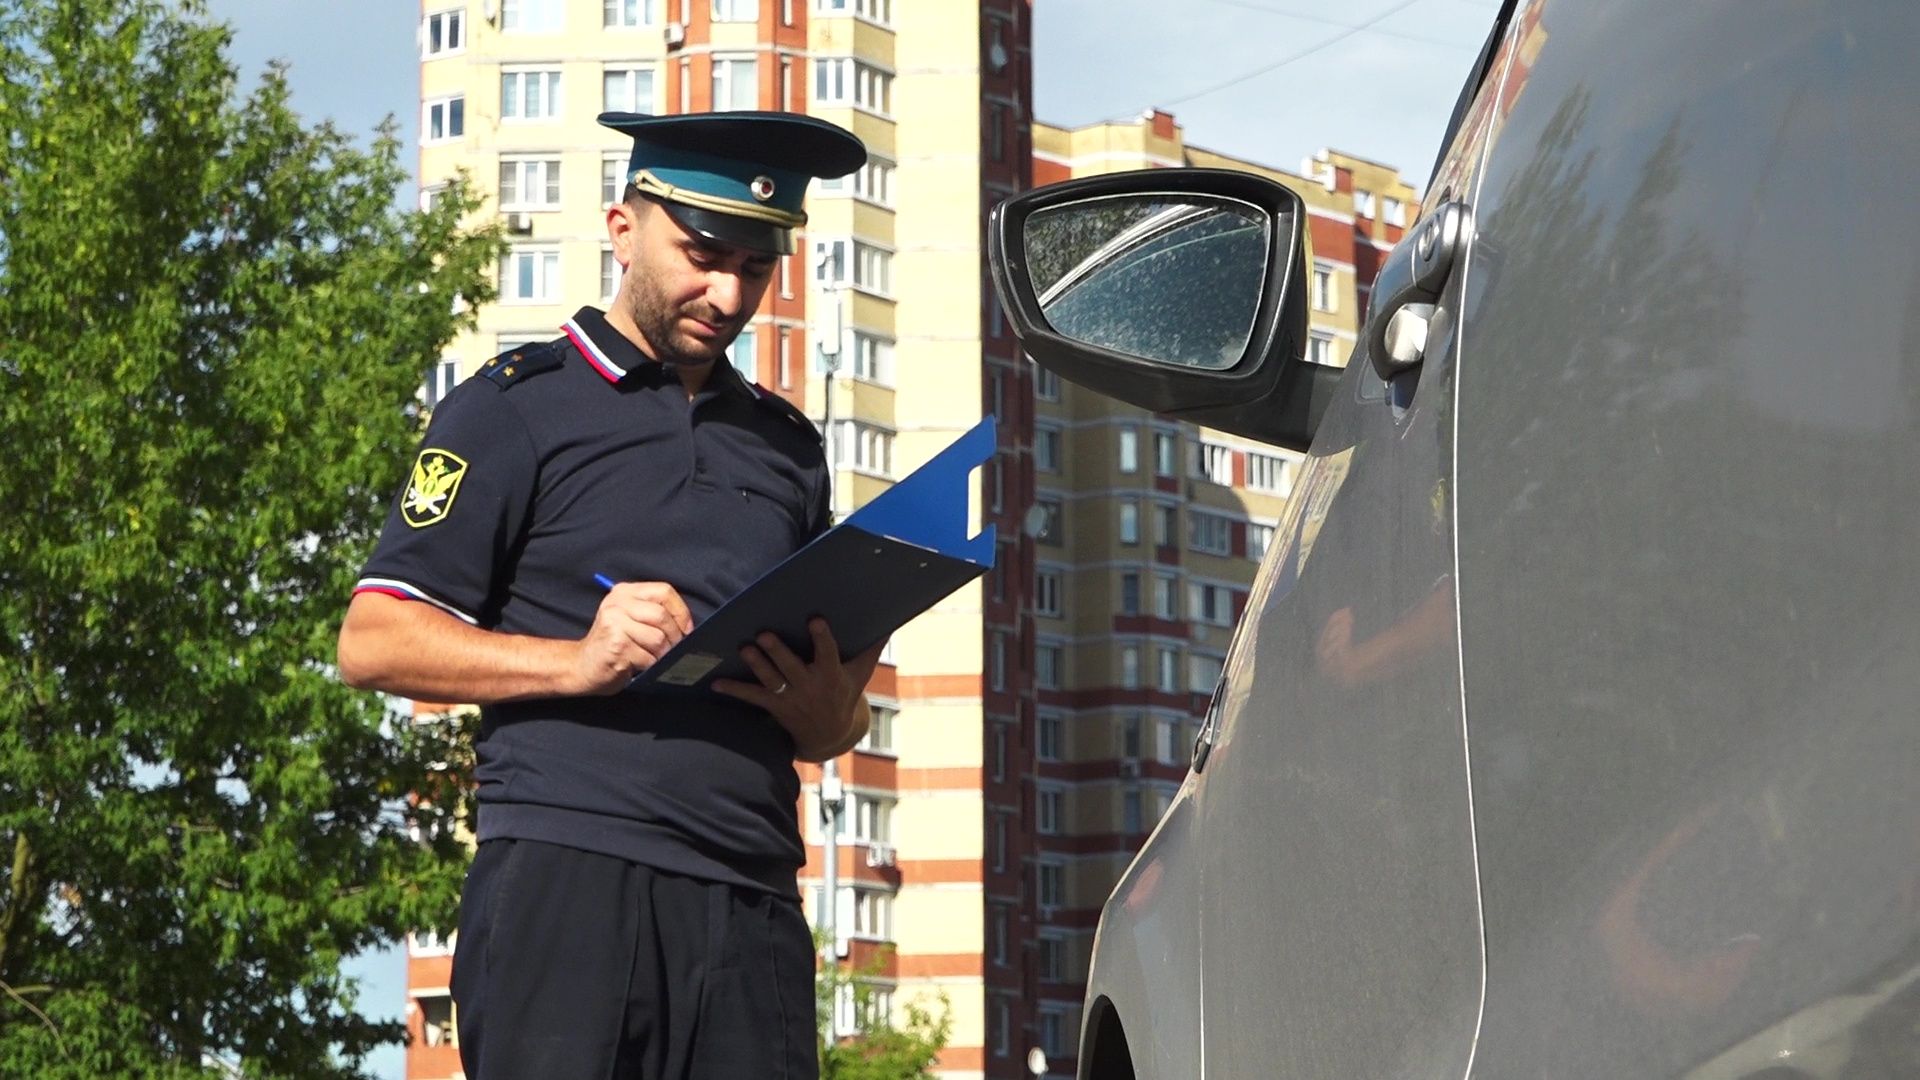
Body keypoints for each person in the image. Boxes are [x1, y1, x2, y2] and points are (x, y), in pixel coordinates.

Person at [336, 110, 878, 1080]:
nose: (726, 292)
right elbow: (373, 639)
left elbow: (826, 709)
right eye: (702, 254)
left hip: (754, 904)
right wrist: (577, 661)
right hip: (565, 886)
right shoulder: (510, 406)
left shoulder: (790, 449)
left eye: (756, 268)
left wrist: (834, 718)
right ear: (623, 227)